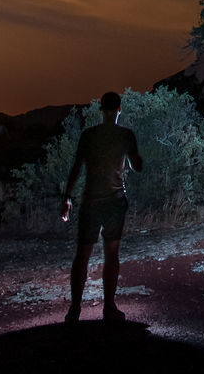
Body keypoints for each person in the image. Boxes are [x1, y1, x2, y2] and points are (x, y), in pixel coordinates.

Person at [61, 90, 143, 324]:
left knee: (82, 255)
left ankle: (75, 309)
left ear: (101, 109)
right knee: (111, 254)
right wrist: (131, 157)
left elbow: (77, 167)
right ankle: (109, 307)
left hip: (90, 201)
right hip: (114, 201)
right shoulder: (126, 135)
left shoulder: (89, 135)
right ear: (119, 109)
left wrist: (67, 197)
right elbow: (137, 166)